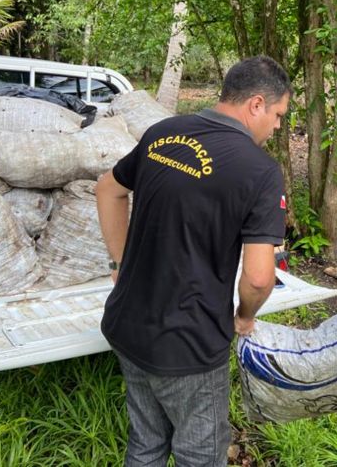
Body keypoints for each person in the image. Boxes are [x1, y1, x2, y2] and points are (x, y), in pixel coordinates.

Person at [95, 55, 291, 467]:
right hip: (189, 343)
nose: (276, 127)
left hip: (127, 325)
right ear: (256, 104)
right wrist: (244, 317)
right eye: (277, 115)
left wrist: (120, 265)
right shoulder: (259, 171)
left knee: (145, 445)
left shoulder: (164, 132)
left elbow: (107, 190)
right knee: (199, 455)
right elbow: (258, 278)